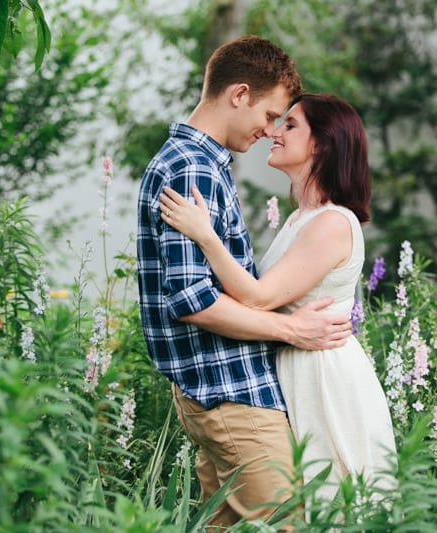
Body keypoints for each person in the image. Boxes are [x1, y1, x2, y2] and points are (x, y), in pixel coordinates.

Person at [136, 36, 353, 527]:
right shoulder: (193, 167)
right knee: (288, 523)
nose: (269, 129)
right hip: (229, 391)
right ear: (239, 95)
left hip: (223, 386)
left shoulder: (204, 164)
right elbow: (194, 301)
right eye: (271, 114)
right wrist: (292, 331)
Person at [160, 93, 397, 503]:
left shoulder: (333, 223)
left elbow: (256, 297)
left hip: (323, 376)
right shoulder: (301, 218)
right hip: (295, 363)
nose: (274, 131)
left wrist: (204, 235)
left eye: (290, 125)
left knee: (331, 500)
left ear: (321, 144)